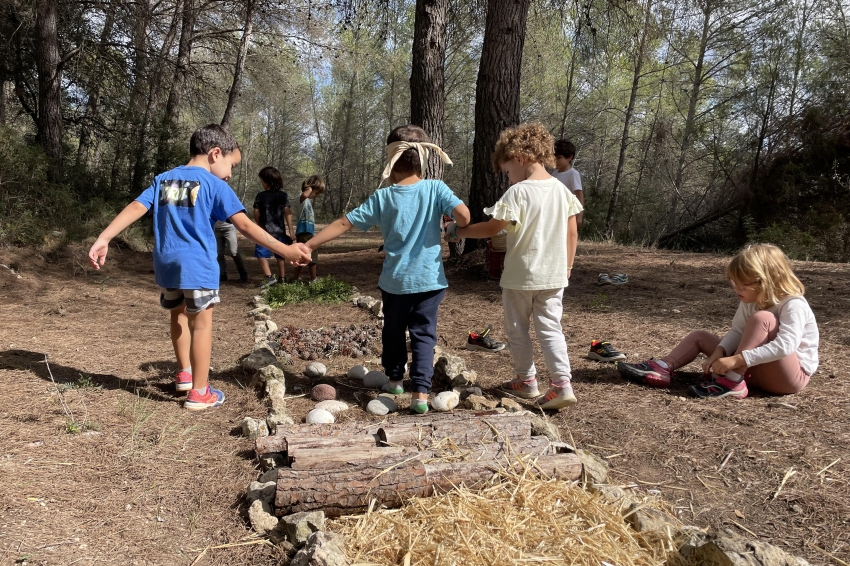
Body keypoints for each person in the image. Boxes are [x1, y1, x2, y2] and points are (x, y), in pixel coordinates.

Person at [87, 124, 311, 410]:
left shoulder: (164, 180)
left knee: (177, 316)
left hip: (167, 264)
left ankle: (184, 374)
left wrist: (104, 237)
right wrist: (285, 248)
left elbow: (136, 207)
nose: (230, 173)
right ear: (215, 154)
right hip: (198, 266)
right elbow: (244, 225)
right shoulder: (215, 185)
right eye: (231, 165)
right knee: (202, 324)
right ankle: (200, 392)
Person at [305, 125, 470, 414]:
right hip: (430, 281)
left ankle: (394, 381)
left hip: (395, 282)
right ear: (424, 159)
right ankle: (420, 394)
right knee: (423, 335)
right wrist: (454, 227)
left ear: (390, 160)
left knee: (393, 331)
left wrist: (309, 246)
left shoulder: (383, 197)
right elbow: (464, 215)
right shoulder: (436, 188)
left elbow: (344, 223)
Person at [445, 123, 583, 410]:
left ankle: (526, 380)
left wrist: (458, 232)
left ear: (519, 158)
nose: (508, 179)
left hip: (521, 276)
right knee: (550, 328)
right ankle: (561, 385)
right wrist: (567, 266)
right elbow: (572, 233)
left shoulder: (518, 193)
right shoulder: (562, 191)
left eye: (507, 171)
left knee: (517, 329)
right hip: (555, 275)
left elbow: (493, 229)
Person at [617, 244, 819, 399]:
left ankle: (732, 382)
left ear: (766, 280)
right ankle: (662, 367)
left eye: (743, 283)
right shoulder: (751, 298)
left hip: (787, 378)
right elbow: (738, 331)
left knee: (763, 319)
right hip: (755, 368)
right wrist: (720, 352)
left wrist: (736, 361)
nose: (736, 288)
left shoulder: (793, 304)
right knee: (700, 337)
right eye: (734, 282)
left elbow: (785, 347)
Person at [253, 166, 294, 286]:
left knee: (261, 254)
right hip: (280, 231)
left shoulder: (261, 196)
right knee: (280, 254)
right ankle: (282, 278)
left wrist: (259, 225)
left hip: (264, 232)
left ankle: (269, 277)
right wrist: (291, 230)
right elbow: (288, 213)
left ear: (266, 182)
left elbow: (256, 212)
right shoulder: (283, 196)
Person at [292, 175, 325, 282]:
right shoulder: (301, 199)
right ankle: (313, 279)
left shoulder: (308, 201)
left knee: (302, 256)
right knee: (312, 256)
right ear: (309, 188)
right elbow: (305, 195)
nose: (316, 195)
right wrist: (308, 188)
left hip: (308, 232)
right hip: (304, 232)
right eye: (316, 192)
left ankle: (296, 278)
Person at [552, 139, 584, 229]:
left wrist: (579, 216)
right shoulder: (554, 174)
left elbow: (579, 195)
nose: (556, 160)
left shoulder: (573, 174)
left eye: (559, 158)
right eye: (554, 157)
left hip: (568, 214)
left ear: (569, 157)